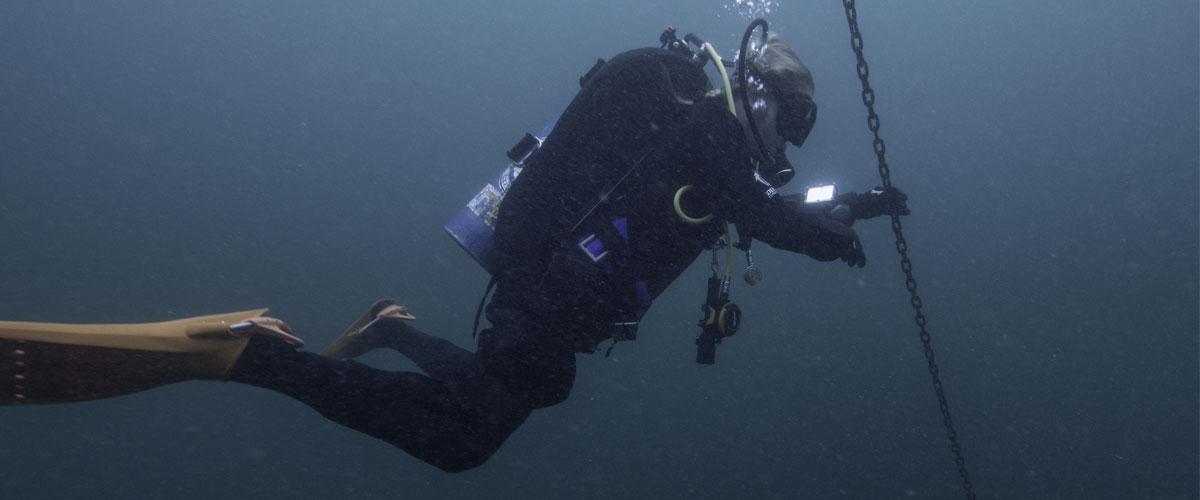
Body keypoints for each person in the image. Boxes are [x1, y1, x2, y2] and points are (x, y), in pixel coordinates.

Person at [0, 24, 908, 472]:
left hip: (547, 289)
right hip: (549, 288)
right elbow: (768, 216)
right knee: (467, 437)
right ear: (760, 96)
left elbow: (767, 206)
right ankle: (249, 359)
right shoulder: (707, 130)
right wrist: (835, 240)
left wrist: (854, 208)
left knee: (499, 400)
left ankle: (385, 329)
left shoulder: (705, 139)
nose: (792, 142)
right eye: (795, 121)